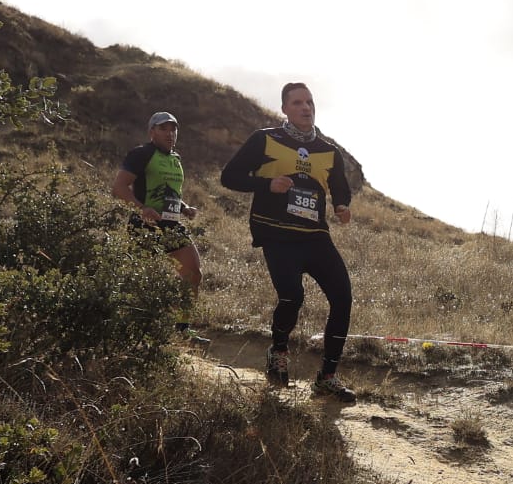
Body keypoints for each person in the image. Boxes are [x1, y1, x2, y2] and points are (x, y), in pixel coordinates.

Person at [219, 82, 356, 400]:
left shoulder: (328, 151)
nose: (306, 107)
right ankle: (278, 352)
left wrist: (342, 206)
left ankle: (327, 376)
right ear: (284, 109)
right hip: (276, 233)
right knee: (292, 297)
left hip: (315, 237)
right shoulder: (265, 139)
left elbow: (340, 187)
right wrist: (267, 184)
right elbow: (230, 176)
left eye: (309, 102)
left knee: (343, 298)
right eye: (297, 103)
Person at [112, 110, 207, 344]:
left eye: (173, 129)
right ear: (151, 131)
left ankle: (181, 330)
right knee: (139, 281)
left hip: (172, 225)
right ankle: (132, 330)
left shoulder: (176, 159)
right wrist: (141, 208)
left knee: (193, 273)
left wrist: (184, 208)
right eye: (163, 128)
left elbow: (169, 191)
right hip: (145, 226)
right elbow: (119, 188)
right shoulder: (141, 153)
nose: (170, 133)